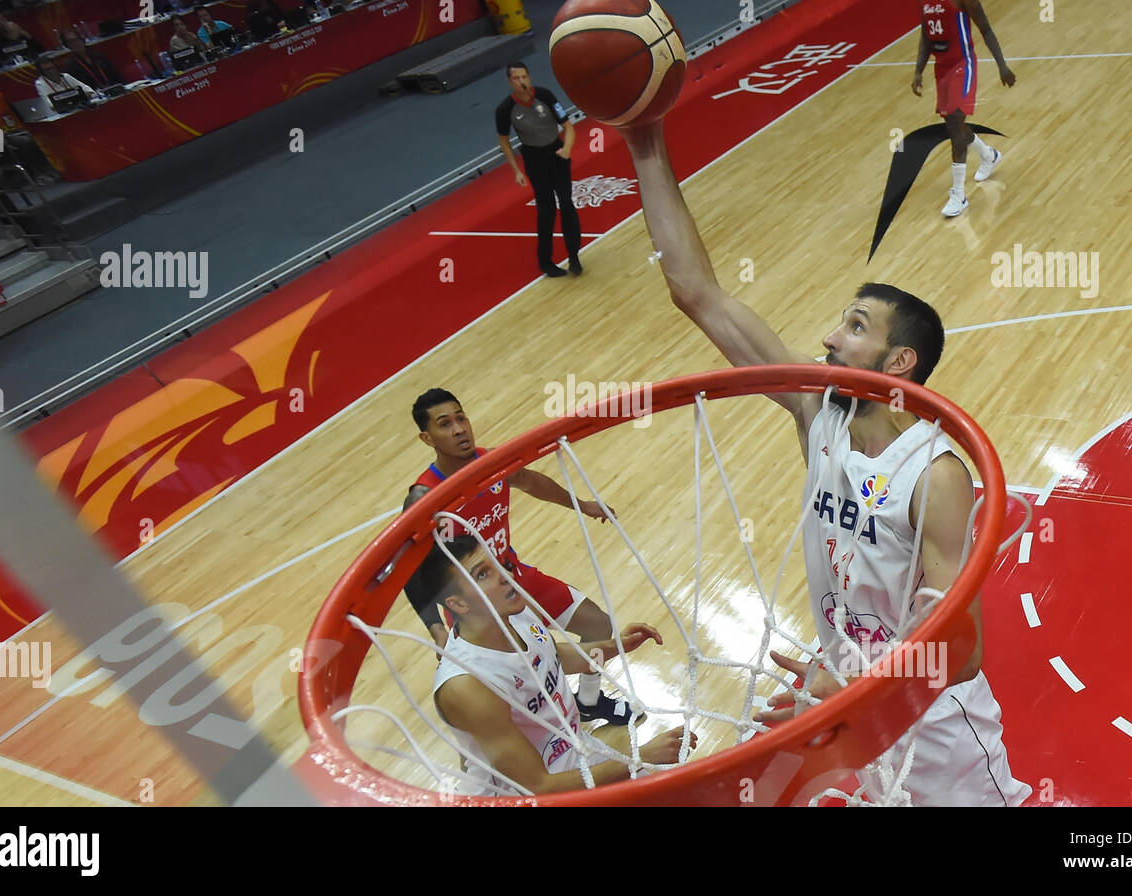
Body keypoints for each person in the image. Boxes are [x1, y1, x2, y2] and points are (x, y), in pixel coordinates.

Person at [619, 121, 1031, 807]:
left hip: (938, 732)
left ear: (899, 363)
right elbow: (698, 292)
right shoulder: (820, 418)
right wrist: (645, 144)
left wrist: (857, 682)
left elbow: (962, 654)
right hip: (862, 713)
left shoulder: (935, 474)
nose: (829, 338)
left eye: (856, 327)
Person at [403, 388, 636, 726]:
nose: (458, 429)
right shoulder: (424, 497)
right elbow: (410, 572)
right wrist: (436, 629)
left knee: (599, 625)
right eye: (445, 424)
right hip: (478, 604)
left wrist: (582, 505)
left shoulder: (492, 461)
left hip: (514, 576)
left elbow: (530, 482)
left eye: (461, 418)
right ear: (427, 437)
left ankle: (587, 701)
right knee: (509, 689)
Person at [424, 535, 696, 795]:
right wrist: (640, 757)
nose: (505, 575)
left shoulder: (516, 615)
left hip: (574, 754)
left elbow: (551, 656)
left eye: (497, 564)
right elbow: (539, 787)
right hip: (520, 795)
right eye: (483, 574)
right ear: (457, 603)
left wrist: (616, 646)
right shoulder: (466, 685)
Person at [911, 0, 1015, 217]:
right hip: (942, 68)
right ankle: (989, 155)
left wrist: (1002, 66)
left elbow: (985, 29)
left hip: (963, 65)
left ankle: (959, 195)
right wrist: (918, 71)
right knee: (953, 126)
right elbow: (925, 38)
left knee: (956, 123)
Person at [495, 62, 583, 278]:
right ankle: (545, 261)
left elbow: (568, 126)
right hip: (534, 160)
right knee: (546, 210)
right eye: (516, 79)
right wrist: (516, 170)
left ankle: (574, 256)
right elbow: (504, 142)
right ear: (509, 82)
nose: (521, 82)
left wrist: (567, 149)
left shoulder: (546, 96)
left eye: (524, 77)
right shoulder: (505, 109)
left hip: (557, 153)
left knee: (567, 203)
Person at [0, 77, 60, 184]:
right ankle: (39, 174)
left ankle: (50, 169)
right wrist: (5, 135)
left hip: (14, 129)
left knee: (37, 135)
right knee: (27, 141)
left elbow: (14, 112)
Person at [59, 28, 123, 88]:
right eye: (71, 42)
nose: (76, 43)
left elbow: (116, 75)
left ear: (82, 39)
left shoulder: (98, 55)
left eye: (76, 39)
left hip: (115, 88)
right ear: (67, 46)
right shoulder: (71, 66)